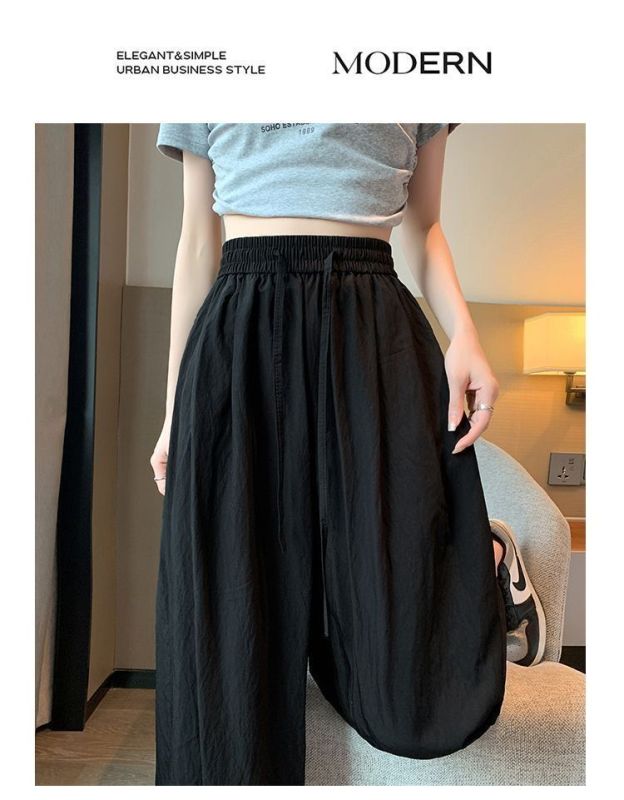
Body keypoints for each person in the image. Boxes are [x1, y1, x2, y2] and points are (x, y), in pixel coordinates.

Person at [149, 122, 541, 786]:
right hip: (242, 325)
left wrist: (465, 335)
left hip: (372, 319)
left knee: (393, 537)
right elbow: (196, 242)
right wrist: (173, 412)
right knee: (233, 585)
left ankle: (489, 558)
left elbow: (424, 227)